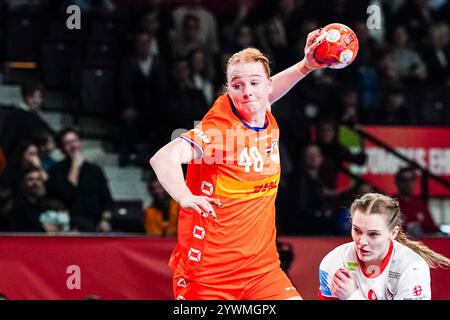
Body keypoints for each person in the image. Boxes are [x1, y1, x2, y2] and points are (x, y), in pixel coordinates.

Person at [150, 28, 329, 300]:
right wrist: (184, 196)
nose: (247, 93)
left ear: (268, 85)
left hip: (262, 270)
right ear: (228, 88)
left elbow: (264, 97)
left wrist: (306, 66)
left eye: (255, 83)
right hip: (209, 276)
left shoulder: (263, 113)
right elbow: (163, 158)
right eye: (237, 85)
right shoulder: (220, 131)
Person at [318, 193, 450, 300]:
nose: (362, 241)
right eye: (357, 230)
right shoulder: (334, 261)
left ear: (393, 233)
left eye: (373, 234)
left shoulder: (412, 268)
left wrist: (352, 296)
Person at [47, 128, 114, 232]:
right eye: (67, 143)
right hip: (70, 222)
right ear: (61, 149)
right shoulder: (56, 171)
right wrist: (75, 167)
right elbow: (67, 195)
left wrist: (105, 220)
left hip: (96, 222)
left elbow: (107, 199)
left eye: (75, 141)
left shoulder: (95, 170)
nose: (73, 146)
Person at [394, 167, 441, 237]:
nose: (408, 183)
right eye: (404, 180)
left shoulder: (420, 204)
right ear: (397, 182)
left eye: (411, 179)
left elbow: (433, 229)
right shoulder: (392, 204)